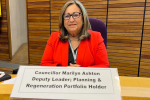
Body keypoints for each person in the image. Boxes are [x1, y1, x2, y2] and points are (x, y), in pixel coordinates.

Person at [40, 0, 110, 68]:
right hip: (62, 79)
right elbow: (44, 65)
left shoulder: (96, 37)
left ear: (83, 18)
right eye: (67, 16)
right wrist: (65, 71)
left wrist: (81, 72)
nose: (71, 20)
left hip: (86, 80)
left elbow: (104, 67)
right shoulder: (54, 37)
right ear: (63, 20)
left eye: (75, 15)